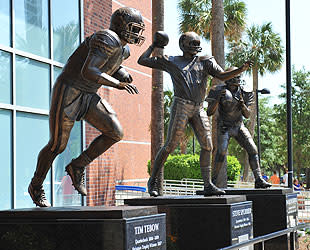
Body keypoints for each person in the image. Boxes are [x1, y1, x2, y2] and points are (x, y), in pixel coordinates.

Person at [28, 7, 145, 207]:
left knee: (115, 132)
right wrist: (117, 84)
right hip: (69, 90)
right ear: (121, 25)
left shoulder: (123, 49)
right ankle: (36, 185)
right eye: (133, 28)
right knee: (57, 145)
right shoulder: (106, 38)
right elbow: (89, 70)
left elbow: (113, 63)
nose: (136, 34)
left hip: (88, 94)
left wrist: (122, 74)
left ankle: (78, 165)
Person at [138, 31, 252, 196]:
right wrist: (154, 46)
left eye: (198, 43)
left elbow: (221, 75)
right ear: (183, 44)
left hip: (199, 107)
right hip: (181, 106)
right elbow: (142, 60)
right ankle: (153, 180)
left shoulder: (205, 61)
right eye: (193, 43)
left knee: (208, 146)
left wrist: (240, 69)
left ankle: (208, 185)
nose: (196, 47)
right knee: (170, 145)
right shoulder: (172, 61)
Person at [206, 69, 271, 188]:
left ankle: (259, 179)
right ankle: (212, 182)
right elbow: (209, 112)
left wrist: (242, 104)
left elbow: (247, 114)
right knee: (221, 152)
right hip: (224, 127)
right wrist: (216, 100)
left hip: (238, 125)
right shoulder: (218, 90)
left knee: (253, 149)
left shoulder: (245, 91)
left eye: (237, 77)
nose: (236, 80)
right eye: (233, 77)